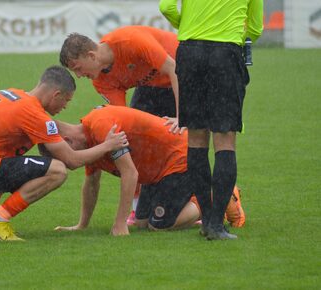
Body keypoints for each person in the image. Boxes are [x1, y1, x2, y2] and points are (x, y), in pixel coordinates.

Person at [0, 66, 128, 241]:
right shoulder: (34, 114)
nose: (65, 107)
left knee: (9, 163)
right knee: (57, 171)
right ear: (56, 94)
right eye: (66, 100)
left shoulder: (12, 93)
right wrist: (107, 145)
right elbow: (72, 161)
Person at [51, 105, 245, 236]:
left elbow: (131, 173)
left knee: (160, 225)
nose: (70, 163)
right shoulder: (89, 144)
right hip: (156, 172)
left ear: (67, 141)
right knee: (142, 223)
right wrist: (82, 225)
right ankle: (198, 197)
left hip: (178, 158)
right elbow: (91, 183)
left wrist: (119, 224)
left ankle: (216, 195)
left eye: (65, 157)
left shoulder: (100, 126)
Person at [159, 0, 263, 240]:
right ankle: (217, 223)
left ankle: (206, 220)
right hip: (225, 54)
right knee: (225, 140)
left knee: (196, 139)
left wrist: (188, 25)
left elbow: (166, 7)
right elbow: (256, 29)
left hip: (190, 52)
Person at [59, 25, 181, 133]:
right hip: (156, 85)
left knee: (190, 130)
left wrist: (181, 116)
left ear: (91, 56)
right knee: (136, 132)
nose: (79, 76)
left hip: (186, 72)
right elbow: (122, 116)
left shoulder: (129, 40)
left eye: (78, 68)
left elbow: (173, 68)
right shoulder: (100, 81)